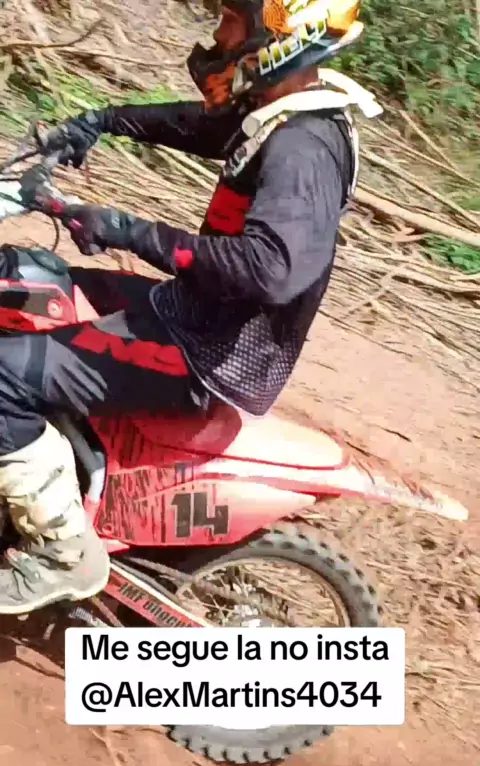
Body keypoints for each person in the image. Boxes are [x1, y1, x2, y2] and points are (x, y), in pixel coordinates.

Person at [0, 0, 380, 614]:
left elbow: (271, 270)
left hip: (208, 354)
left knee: (2, 376)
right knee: (27, 282)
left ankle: (64, 554)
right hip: (190, 312)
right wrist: (101, 121)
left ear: (281, 35)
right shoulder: (281, 110)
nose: (219, 33)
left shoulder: (305, 147)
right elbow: (201, 126)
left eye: (232, 20)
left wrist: (130, 232)